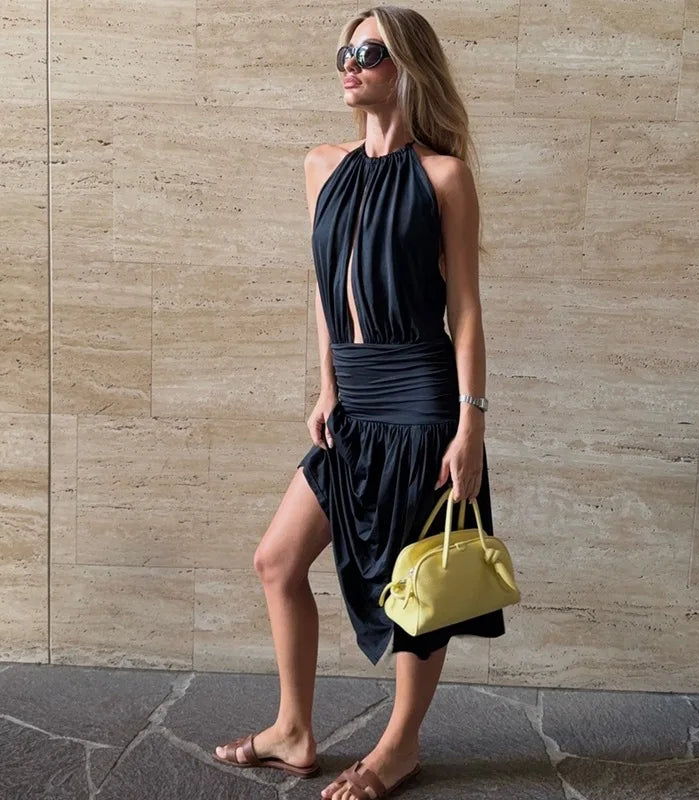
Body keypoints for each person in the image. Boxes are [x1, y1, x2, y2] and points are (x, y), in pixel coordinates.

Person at [212, 6, 506, 799]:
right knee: (276, 560)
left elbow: (467, 312)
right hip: (355, 398)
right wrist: (328, 385)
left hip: (420, 399)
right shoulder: (321, 165)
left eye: (367, 52)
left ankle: (399, 746)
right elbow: (324, 284)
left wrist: (470, 422)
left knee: (418, 583)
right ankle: (296, 731)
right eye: (344, 50)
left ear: (406, 65)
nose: (349, 64)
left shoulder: (444, 176)